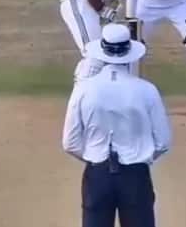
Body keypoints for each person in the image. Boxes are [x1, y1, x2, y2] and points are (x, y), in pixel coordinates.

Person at [62, 23, 172, 227]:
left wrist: (95, 158)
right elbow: (162, 143)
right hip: (136, 175)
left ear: (102, 52)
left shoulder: (83, 90)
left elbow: (70, 143)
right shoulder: (147, 90)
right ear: (129, 52)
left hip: (98, 175)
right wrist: (140, 157)